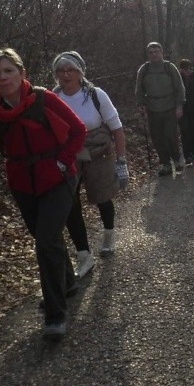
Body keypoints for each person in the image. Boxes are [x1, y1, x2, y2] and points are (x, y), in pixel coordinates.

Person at [0, 48, 86, 340]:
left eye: (9, 71)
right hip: (21, 182)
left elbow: (78, 130)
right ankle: (67, 282)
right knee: (46, 238)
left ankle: (56, 316)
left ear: (22, 73)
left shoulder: (45, 98)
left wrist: (63, 159)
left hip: (58, 178)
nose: (3, 77)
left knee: (45, 241)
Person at [52, 51, 128, 279]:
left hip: (99, 153)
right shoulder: (53, 98)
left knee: (102, 198)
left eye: (71, 70)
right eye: (61, 71)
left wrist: (121, 161)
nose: (66, 75)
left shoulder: (95, 95)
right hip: (70, 156)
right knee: (70, 204)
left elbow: (117, 129)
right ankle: (84, 256)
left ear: (80, 72)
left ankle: (108, 234)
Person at [135, 42, 186, 176]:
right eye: (151, 52)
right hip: (152, 108)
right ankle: (165, 163)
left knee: (171, 135)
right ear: (148, 54)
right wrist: (141, 104)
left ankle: (177, 159)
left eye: (156, 51)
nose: (154, 54)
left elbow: (179, 88)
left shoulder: (170, 67)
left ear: (162, 52)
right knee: (157, 138)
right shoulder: (144, 69)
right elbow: (139, 89)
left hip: (170, 107)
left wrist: (179, 105)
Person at [178, 59, 194, 164]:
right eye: (185, 69)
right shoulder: (177, 79)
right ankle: (187, 155)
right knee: (185, 132)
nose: (188, 71)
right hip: (182, 109)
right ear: (181, 69)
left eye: (189, 69)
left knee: (193, 131)